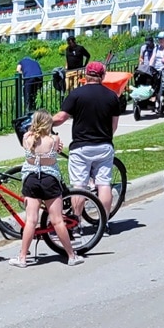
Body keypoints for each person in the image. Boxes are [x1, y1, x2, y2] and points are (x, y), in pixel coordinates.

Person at [10, 109, 82, 268]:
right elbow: (57, 150)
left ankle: (22, 257)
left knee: (31, 220)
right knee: (57, 220)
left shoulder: (27, 138)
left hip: (31, 180)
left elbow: (29, 141)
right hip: (49, 180)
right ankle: (71, 255)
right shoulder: (54, 139)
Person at [52, 61, 122, 223]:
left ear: (86, 75)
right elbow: (114, 126)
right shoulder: (112, 96)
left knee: (79, 186)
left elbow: (61, 118)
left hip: (81, 147)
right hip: (104, 146)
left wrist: (44, 122)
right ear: (102, 76)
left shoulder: (77, 94)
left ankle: (76, 223)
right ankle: (103, 224)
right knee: (104, 184)